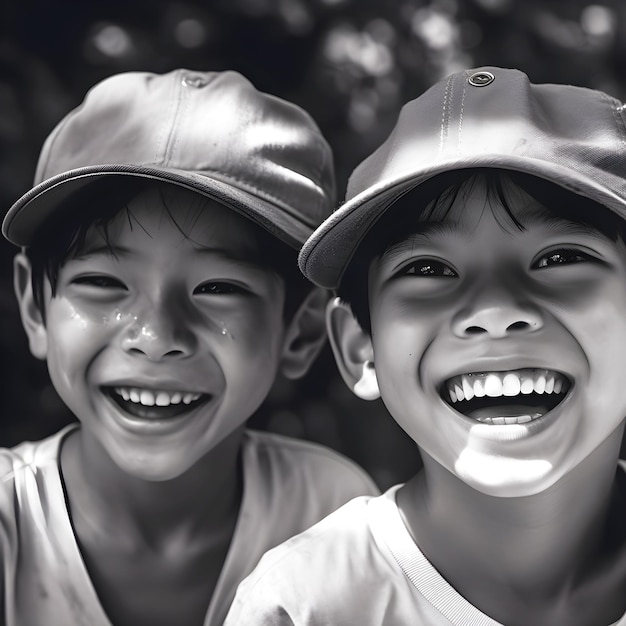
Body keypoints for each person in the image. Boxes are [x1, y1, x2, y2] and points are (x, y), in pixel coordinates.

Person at [224, 66, 626, 625]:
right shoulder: (303, 605)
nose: (495, 312)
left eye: (560, 258)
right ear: (360, 348)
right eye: (429, 268)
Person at [0, 68, 379, 626]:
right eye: (104, 283)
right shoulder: (11, 522)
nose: (156, 337)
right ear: (36, 309)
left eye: (218, 289)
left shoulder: (330, 513)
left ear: (297, 332)